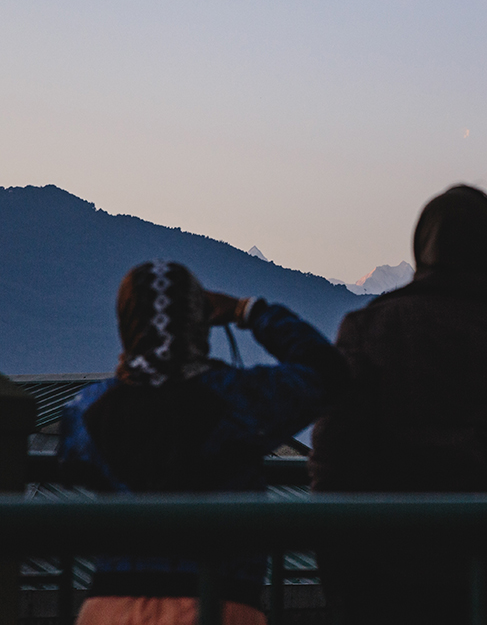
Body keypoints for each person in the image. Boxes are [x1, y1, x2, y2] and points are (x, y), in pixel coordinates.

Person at [310, 184, 487, 624]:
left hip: (383, 577)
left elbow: (334, 461)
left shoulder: (371, 328)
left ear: (422, 244)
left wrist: (344, 577)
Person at [59, 260, 348, 625]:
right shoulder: (239, 399)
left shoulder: (84, 412)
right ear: (198, 321)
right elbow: (328, 373)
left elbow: (69, 464)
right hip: (220, 603)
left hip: (111, 605)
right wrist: (249, 311)